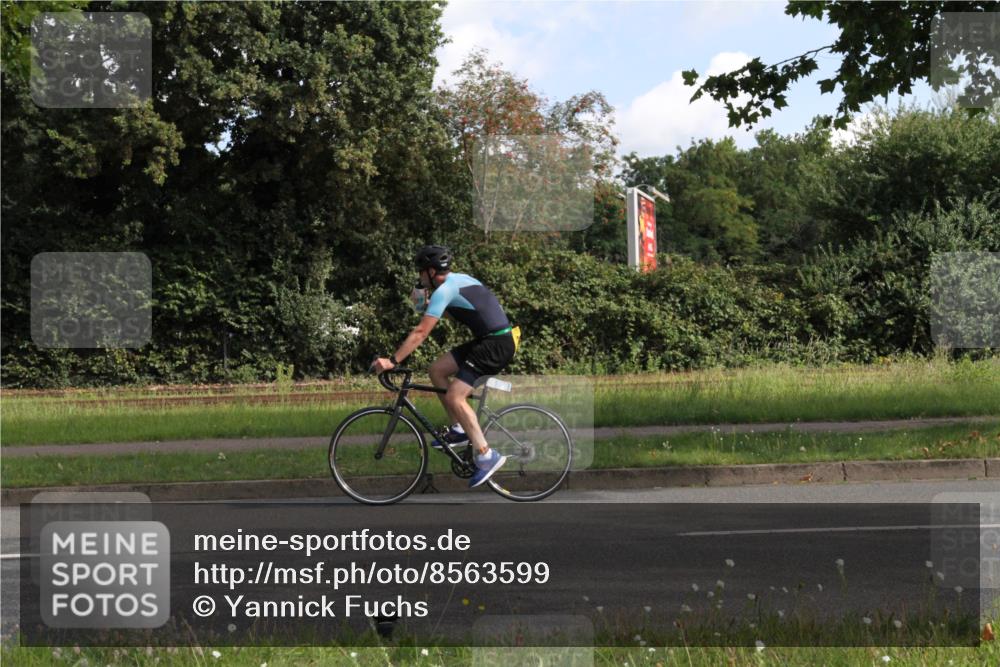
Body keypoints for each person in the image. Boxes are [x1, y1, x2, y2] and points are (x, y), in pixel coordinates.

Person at [370, 245, 518, 488]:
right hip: (491, 338)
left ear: (430, 271)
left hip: (496, 343)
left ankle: (485, 454)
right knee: (436, 370)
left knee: (455, 396)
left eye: (420, 272)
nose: (419, 278)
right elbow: (454, 313)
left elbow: (421, 332)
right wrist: (423, 306)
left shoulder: (445, 290)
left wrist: (393, 361)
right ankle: (460, 428)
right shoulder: (457, 281)